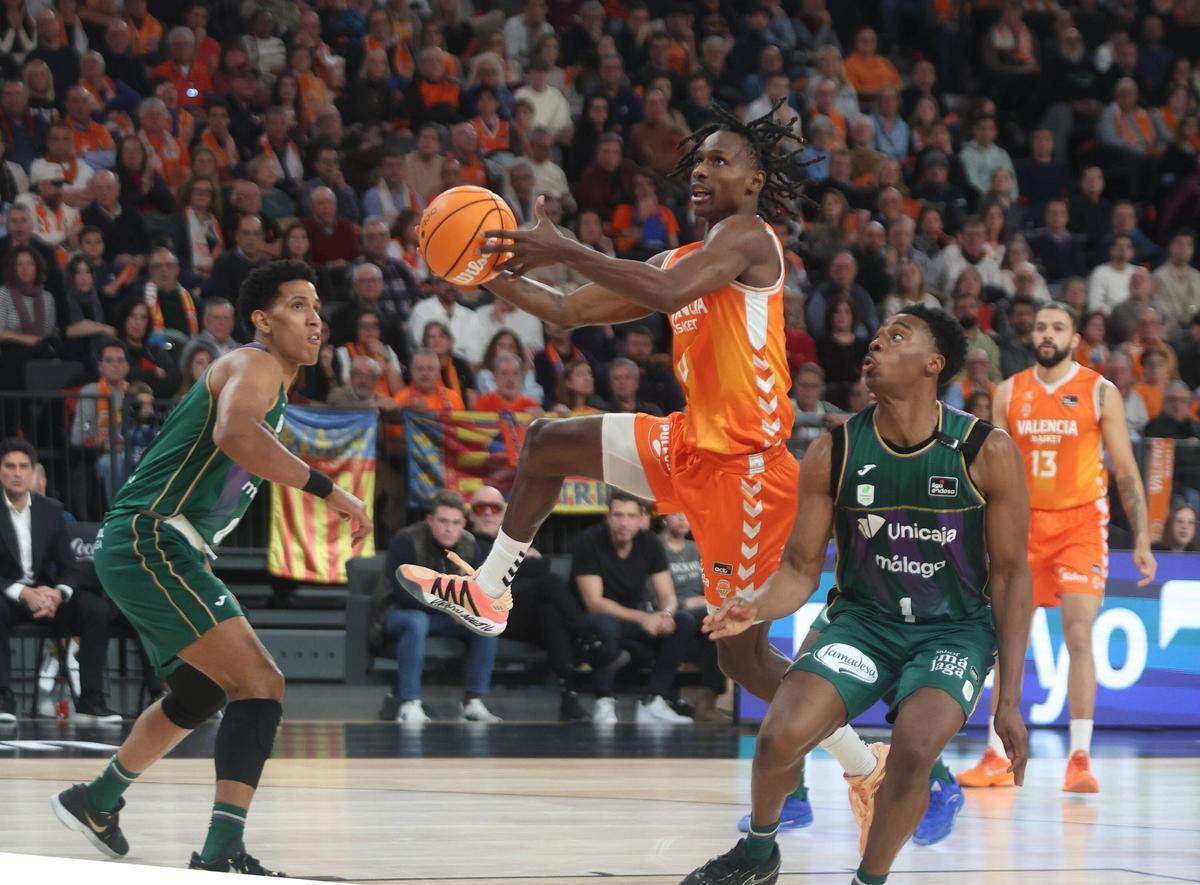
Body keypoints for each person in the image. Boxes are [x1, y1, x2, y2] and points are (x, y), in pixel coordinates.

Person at [397, 102, 888, 810]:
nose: (703, 171)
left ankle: (860, 760)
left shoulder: (752, 239)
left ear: (754, 183)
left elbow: (663, 292)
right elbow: (564, 310)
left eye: (723, 161)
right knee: (547, 441)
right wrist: (474, 265)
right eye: (700, 160)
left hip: (746, 474)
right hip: (689, 442)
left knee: (739, 657)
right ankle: (491, 589)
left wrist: (565, 247)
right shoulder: (678, 257)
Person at [681, 305, 1032, 885]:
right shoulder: (834, 450)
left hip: (954, 630)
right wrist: (754, 605)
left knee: (915, 750)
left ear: (933, 364)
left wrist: (1010, 701)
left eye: (896, 337)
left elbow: (1013, 576)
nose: (875, 346)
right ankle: (759, 853)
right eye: (875, 337)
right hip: (863, 622)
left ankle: (869, 879)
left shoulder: (983, 450)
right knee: (779, 737)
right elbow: (799, 569)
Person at [51, 261, 370, 874]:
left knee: (200, 691)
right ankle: (222, 851)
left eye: (318, 309)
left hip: (155, 543)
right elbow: (234, 434)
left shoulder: (266, 379)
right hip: (153, 537)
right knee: (262, 684)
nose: (315, 320)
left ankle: (95, 800)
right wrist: (333, 491)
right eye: (299, 305)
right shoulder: (255, 363)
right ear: (261, 319)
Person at [960, 303, 1156, 795]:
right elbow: (993, 471)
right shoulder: (1009, 392)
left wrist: (1145, 537)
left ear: (1075, 337)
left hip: (1082, 525)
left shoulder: (1099, 391)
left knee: (1079, 634)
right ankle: (994, 757)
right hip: (1024, 524)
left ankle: (1080, 758)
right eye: (1043, 326)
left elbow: (1128, 471)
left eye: (1059, 327)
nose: (1048, 334)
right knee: (1009, 641)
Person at [0, 438, 117, 724]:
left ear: (32, 473)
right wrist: (23, 593)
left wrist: (58, 594)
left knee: (95, 608)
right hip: (8, 594)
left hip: (46, 595)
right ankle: (3, 698)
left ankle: (91, 700)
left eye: (23, 467)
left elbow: (69, 567)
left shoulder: (51, 510)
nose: (17, 473)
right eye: (10, 466)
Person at [376, 489, 500, 724]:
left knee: (485, 623)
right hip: (396, 613)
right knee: (416, 621)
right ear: (430, 520)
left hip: (443, 618)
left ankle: (473, 701)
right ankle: (409, 703)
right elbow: (404, 593)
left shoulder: (469, 545)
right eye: (443, 521)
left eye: (455, 522)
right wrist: (450, 608)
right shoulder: (406, 540)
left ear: (464, 523)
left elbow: (476, 590)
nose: (449, 528)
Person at [571, 491, 693, 724]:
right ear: (608, 517)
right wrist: (643, 618)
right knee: (607, 625)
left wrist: (666, 615)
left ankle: (653, 699)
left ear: (642, 518)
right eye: (618, 515)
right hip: (591, 619)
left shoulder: (649, 543)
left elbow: (667, 594)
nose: (624, 522)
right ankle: (603, 700)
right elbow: (594, 602)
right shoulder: (589, 541)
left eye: (630, 516)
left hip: (631, 618)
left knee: (683, 622)